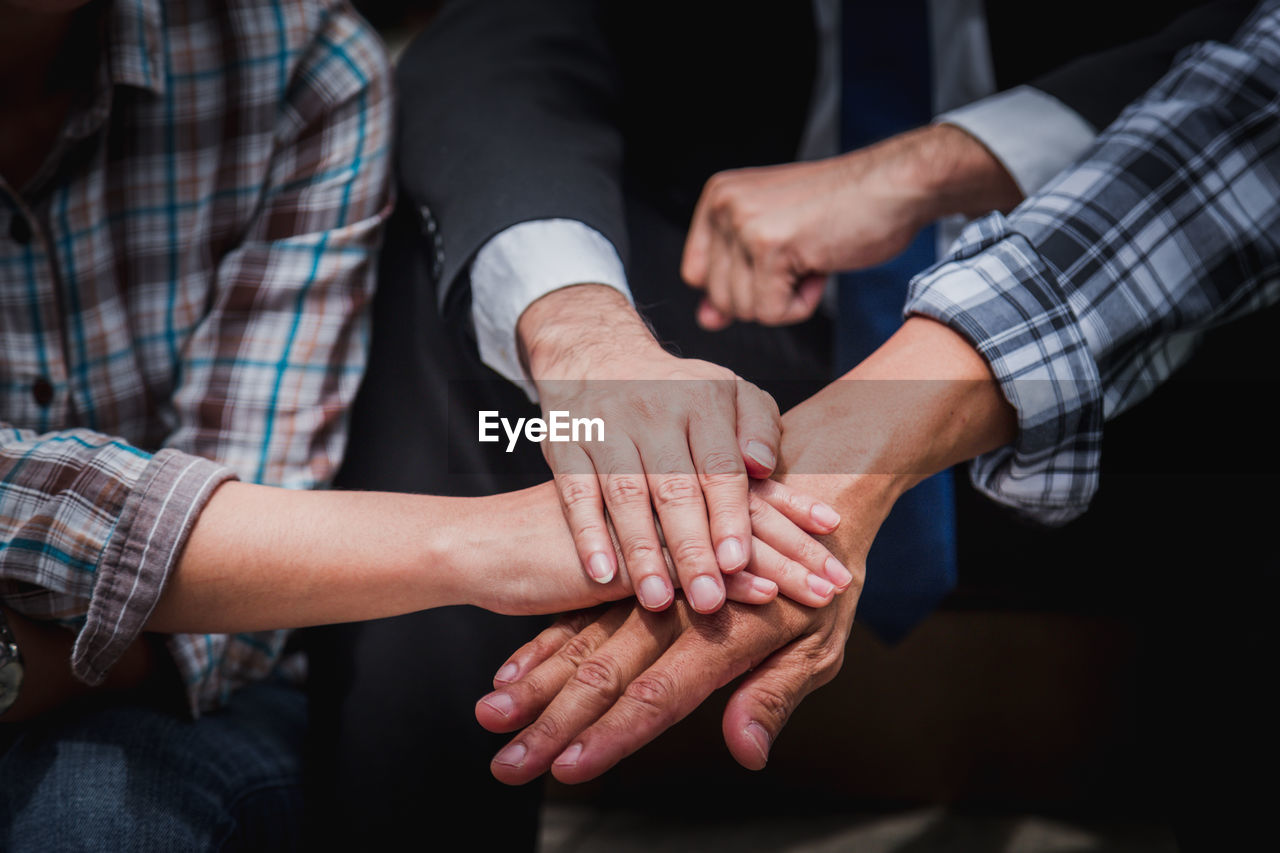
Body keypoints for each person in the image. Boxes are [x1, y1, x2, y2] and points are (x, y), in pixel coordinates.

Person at [315, 0, 1254, 847]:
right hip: (719, 316)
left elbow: (1251, 85)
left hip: (1141, 348)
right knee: (473, 325)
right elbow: (506, 33)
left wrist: (943, 163)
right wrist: (582, 330)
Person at [0, 0, 843, 848]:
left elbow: (238, 599)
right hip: (187, 662)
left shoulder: (292, 59)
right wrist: (477, 544)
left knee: (92, 813)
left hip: (186, 695)